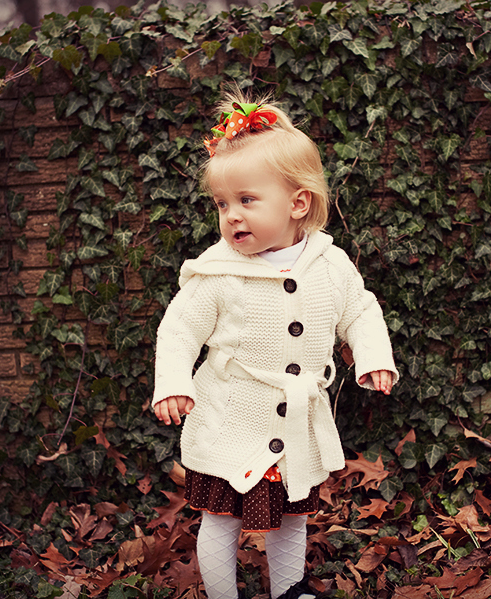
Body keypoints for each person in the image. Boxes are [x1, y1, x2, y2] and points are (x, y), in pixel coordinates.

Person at [152, 87, 399, 599]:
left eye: (246, 200)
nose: (231, 215)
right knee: (221, 517)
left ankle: (291, 591)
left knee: (289, 517)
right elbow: (179, 330)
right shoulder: (218, 273)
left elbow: (360, 309)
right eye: (222, 204)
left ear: (297, 203)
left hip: (294, 424)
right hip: (230, 420)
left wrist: (372, 356)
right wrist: (173, 382)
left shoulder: (329, 264)